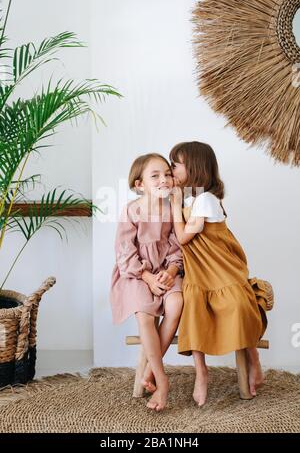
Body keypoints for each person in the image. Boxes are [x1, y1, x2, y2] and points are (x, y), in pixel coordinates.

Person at [169, 141, 273, 406]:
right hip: (199, 274)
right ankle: (201, 372)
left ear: (194, 167)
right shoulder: (190, 199)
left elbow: (182, 237)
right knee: (193, 309)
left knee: (238, 305)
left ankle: (254, 360)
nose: (172, 169)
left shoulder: (205, 200)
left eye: (175, 164)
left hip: (222, 270)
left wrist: (173, 205)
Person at [110, 153, 183, 411]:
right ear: (140, 184)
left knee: (176, 304)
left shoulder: (172, 209)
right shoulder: (131, 211)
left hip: (166, 271)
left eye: (167, 173)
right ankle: (162, 380)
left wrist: (172, 271)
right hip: (136, 274)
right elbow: (124, 250)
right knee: (145, 315)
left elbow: (177, 246)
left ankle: (151, 371)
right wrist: (147, 277)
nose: (164, 179)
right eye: (155, 176)